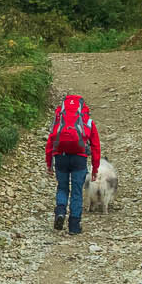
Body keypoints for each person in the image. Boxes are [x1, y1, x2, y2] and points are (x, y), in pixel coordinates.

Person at [44, 92, 102, 235]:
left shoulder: (59, 119)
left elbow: (51, 140)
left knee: (62, 188)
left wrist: (49, 163)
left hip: (61, 157)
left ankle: (61, 212)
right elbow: (95, 146)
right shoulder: (87, 120)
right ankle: (74, 226)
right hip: (79, 158)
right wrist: (95, 168)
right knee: (77, 192)